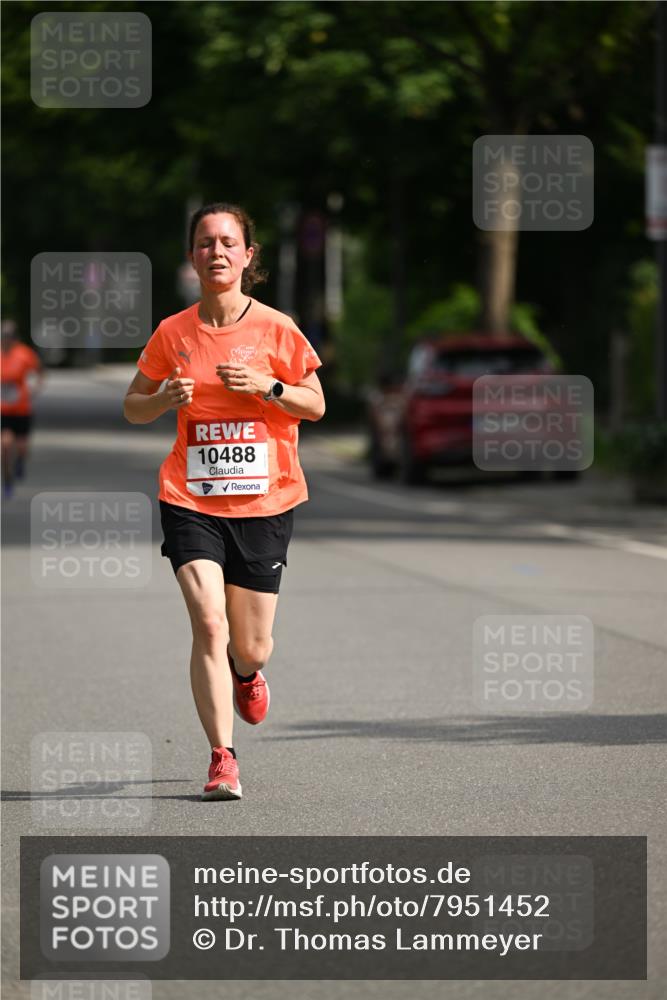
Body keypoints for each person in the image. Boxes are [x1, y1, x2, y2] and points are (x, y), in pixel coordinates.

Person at [123, 203, 325, 801]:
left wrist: (271, 387)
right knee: (208, 623)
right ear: (193, 257)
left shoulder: (276, 328)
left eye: (228, 242)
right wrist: (162, 398)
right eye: (205, 242)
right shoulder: (173, 333)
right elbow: (133, 405)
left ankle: (247, 672)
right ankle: (222, 757)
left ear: (247, 256)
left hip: (265, 502)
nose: (216, 251)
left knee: (250, 643)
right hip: (191, 498)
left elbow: (315, 404)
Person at [1, 319, 44, 497]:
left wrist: (35, 389)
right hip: (3, 410)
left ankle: (19, 462)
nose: (6, 340)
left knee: (22, 448)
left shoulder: (24, 354)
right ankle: (7, 480)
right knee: (4, 445)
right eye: (3, 336)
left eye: (9, 336)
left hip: (22, 409)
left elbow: (39, 372)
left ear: (15, 338)